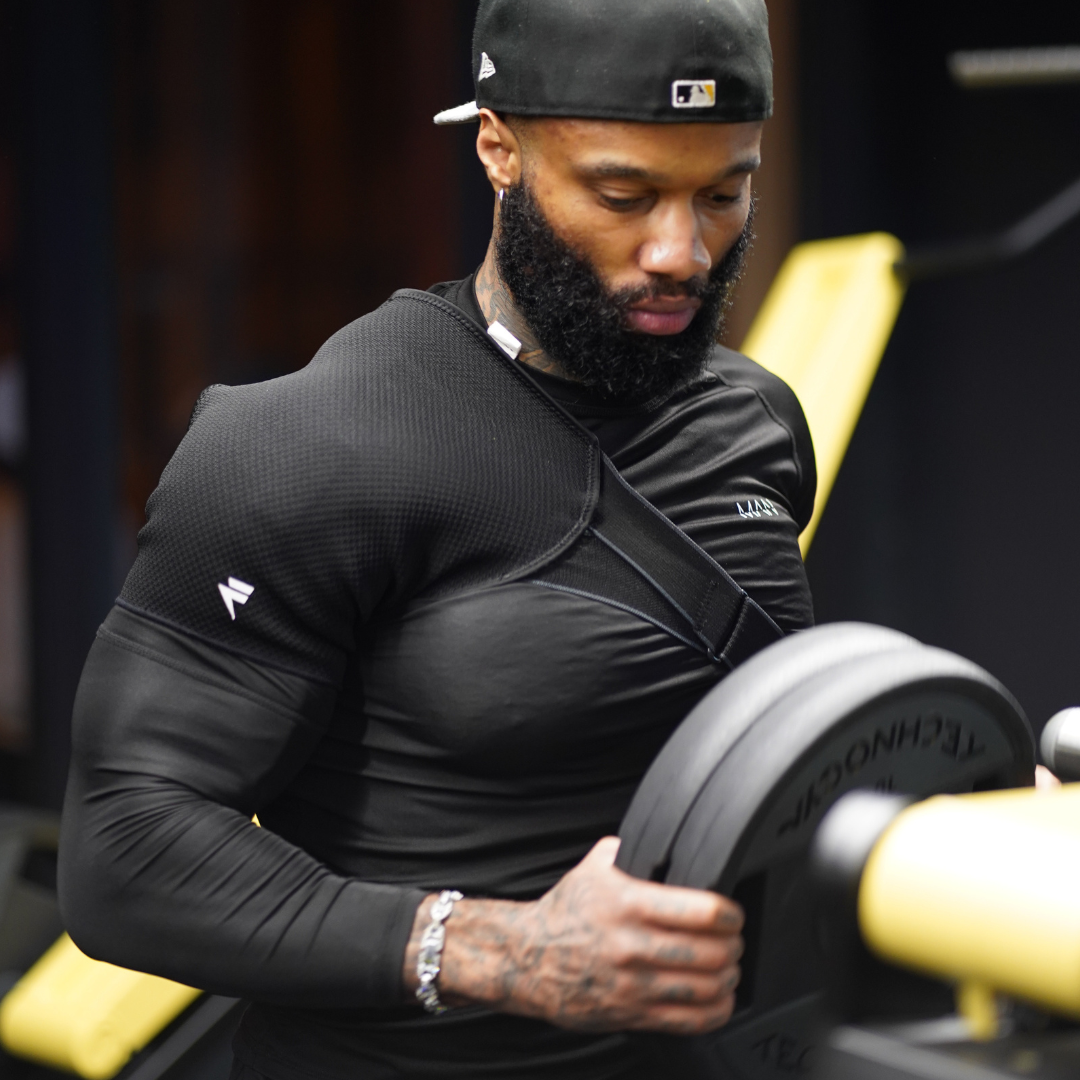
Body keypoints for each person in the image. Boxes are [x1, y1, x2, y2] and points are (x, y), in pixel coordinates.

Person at [58, 1, 817, 1077]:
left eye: (723, 194)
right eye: (623, 195)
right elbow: (126, 850)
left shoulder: (756, 421)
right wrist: (499, 953)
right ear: (498, 148)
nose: (678, 252)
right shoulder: (305, 444)